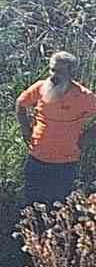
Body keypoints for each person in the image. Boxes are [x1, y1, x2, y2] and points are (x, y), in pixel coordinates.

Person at [15, 51, 96, 208]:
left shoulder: (83, 96)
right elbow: (20, 104)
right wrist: (25, 130)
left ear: (71, 73)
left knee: (57, 208)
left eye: (59, 71)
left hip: (65, 161)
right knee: (31, 206)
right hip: (37, 157)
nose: (53, 75)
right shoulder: (41, 87)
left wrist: (88, 136)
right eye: (52, 69)